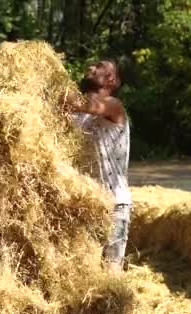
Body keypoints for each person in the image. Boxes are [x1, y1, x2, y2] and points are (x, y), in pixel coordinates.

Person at [63, 59, 131, 273]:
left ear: (112, 79)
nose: (90, 66)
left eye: (99, 66)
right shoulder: (78, 117)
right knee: (84, 272)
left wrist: (51, 84)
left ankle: (116, 307)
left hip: (113, 204)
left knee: (111, 272)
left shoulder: (113, 106)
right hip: (86, 203)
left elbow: (80, 103)